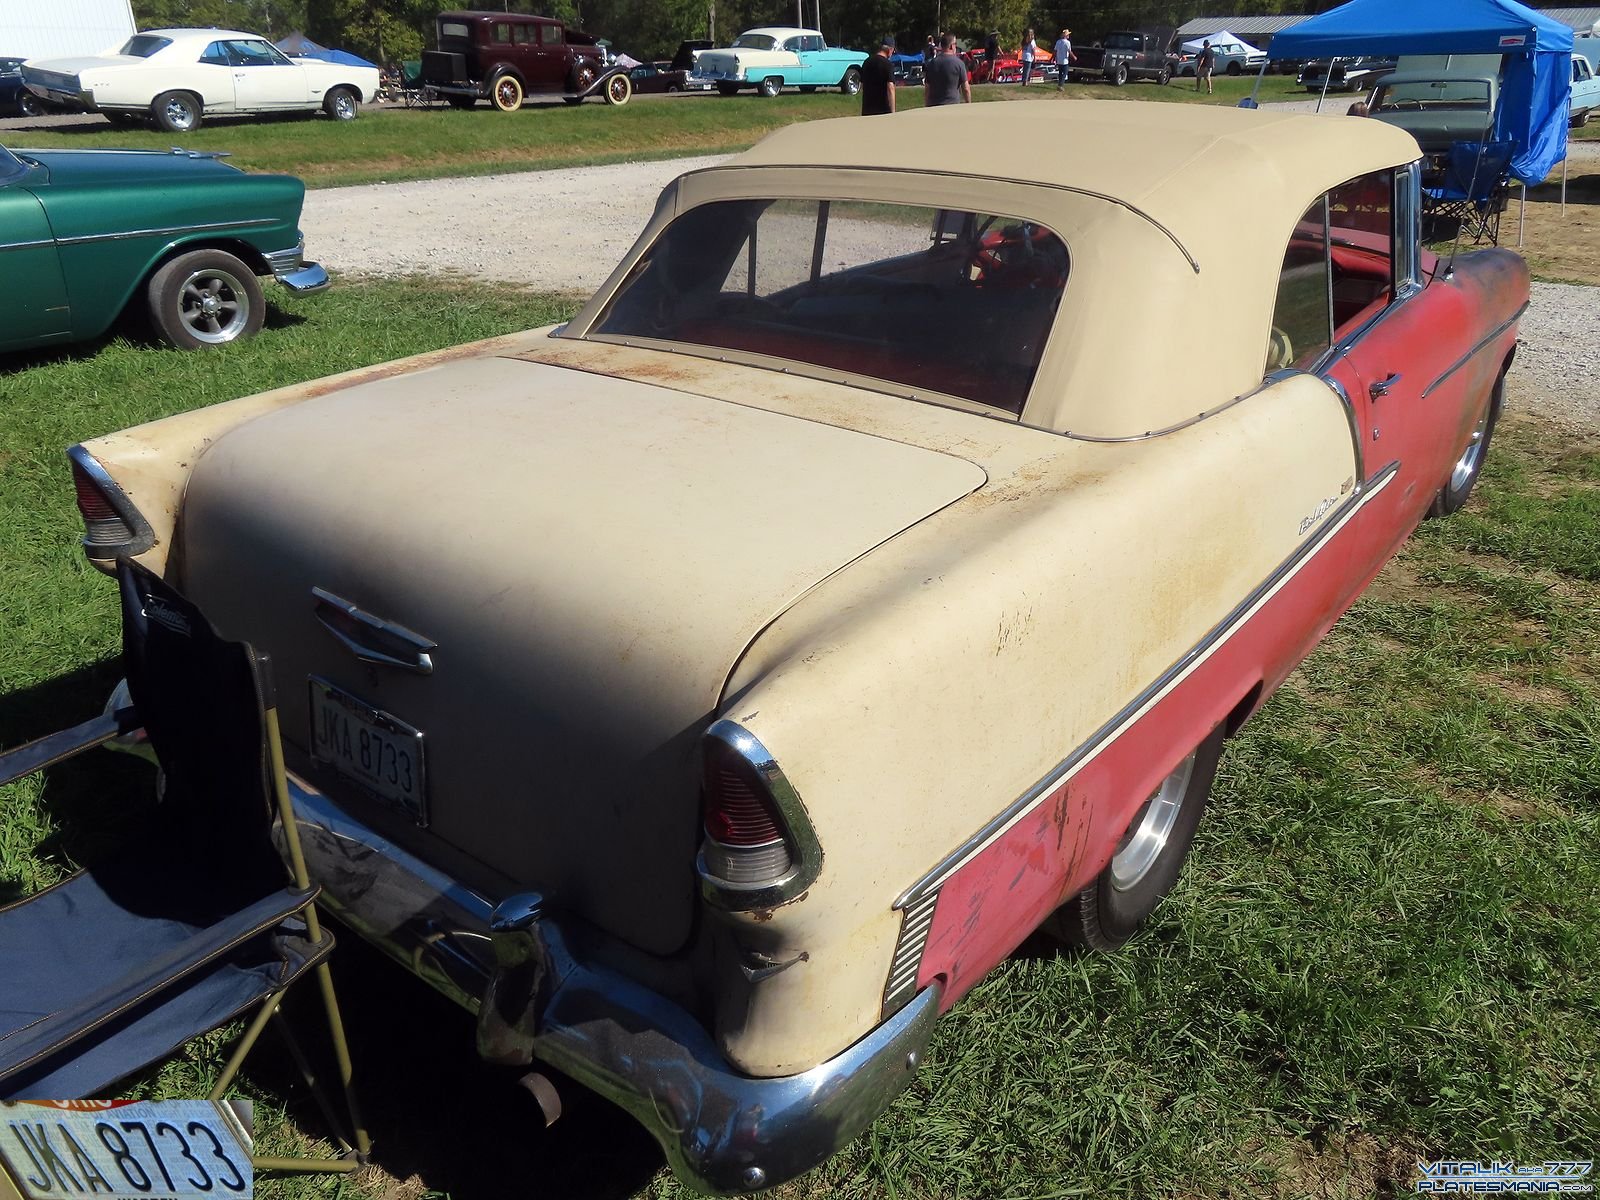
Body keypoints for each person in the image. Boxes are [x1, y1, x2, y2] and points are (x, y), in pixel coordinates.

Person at [924, 32, 971, 107]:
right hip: (952, 106)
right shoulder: (959, 63)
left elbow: (927, 89)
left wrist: (926, 106)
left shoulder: (931, 64)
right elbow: (966, 89)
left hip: (934, 107)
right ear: (951, 46)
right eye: (955, 44)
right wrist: (968, 104)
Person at [861, 37, 895, 116]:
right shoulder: (888, 65)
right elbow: (890, 87)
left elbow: (862, 85)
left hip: (867, 110)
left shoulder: (866, 62)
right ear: (890, 50)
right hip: (882, 111)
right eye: (893, 50)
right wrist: (893, 112)